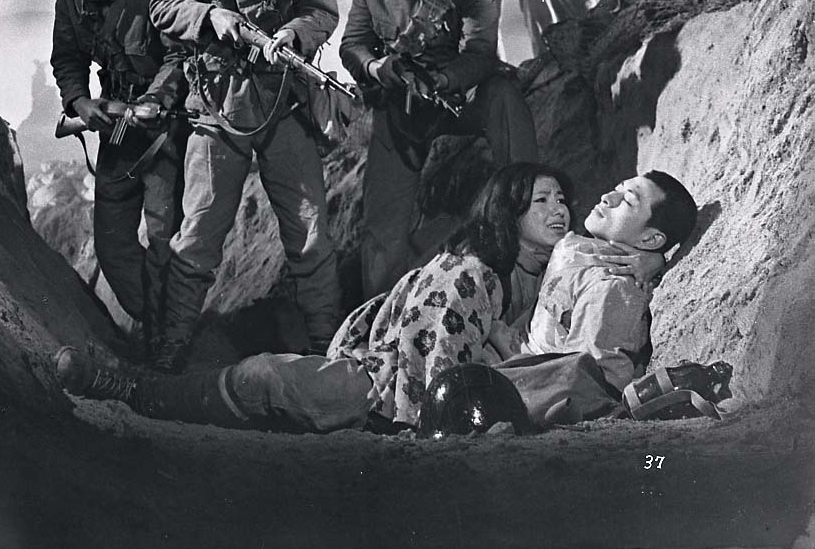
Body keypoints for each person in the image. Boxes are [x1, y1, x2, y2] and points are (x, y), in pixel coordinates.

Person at [53, 163, 629, 433]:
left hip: (451, 392)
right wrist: (418, 420)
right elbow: (426, 349)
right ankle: (132, 388)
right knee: (264, 377)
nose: (559, 210)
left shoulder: (549, 268)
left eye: (561, 199)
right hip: (384, 385)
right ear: (508, 212)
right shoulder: (472, 271)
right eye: (540, 201)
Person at [147, 0, 341, 373]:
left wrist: (294, 33)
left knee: (310, 233)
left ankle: (328, 347)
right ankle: (171, 346)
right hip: (217, 104)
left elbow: (322, 11)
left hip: (285, 102)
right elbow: (164, 6)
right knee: (199, 233)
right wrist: (211, 18)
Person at [340, 0, 538, 298]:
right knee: (383, 224)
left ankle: (528, 211)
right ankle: (380, 309)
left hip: (460, 94)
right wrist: (378, 68)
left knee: (504, 96)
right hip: (402, 106)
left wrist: (444, 80)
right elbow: (353, 45)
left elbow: (481, 53)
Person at [50, 0, 188, 358]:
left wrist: (154, 99)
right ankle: (156, 319)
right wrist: (80, 102)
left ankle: (169, 336)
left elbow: (180, 55)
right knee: (112, 246)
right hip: (115, 129)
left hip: (163, 130)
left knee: (166, 238)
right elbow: (67, 58)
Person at [492, 171, 698, 392]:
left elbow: (584, 380)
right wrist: (657, 259)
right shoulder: (583, 249)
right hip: (504, 354)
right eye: (617, 189)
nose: (607, 198)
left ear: (649, 239)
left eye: (628, 201)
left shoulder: (612, 288)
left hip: (520, 383)